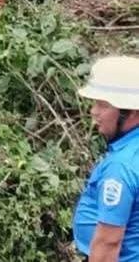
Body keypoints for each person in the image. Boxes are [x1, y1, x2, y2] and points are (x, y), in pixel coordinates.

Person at [73, 56, 139, 262]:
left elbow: (109, 242)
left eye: (103, 105)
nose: (93, 111)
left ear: (131, 112)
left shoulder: (121, 166)